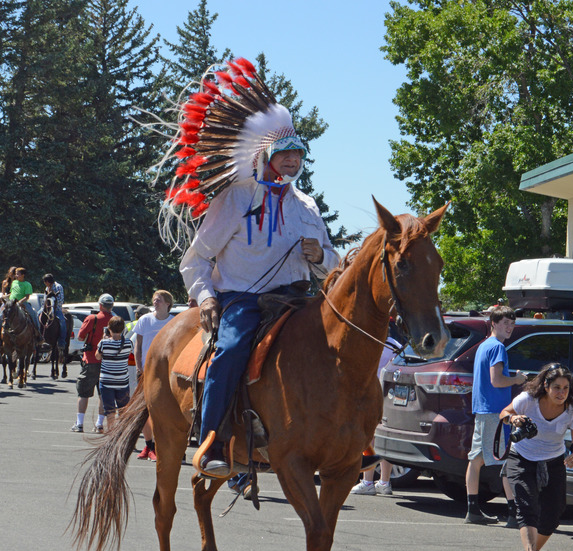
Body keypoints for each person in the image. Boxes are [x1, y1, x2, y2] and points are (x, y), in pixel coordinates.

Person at [176, 121, 339, 478]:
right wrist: (205, 298)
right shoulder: (236, 197)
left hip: (297, 299)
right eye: (285, 154)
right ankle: (212, 443)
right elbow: (195, 260)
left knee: (342, 350)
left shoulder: (308, 206)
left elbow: (333, 267)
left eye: (297, 155)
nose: (292, 161)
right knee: (232, 349)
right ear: (265, 156)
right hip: (243, 298)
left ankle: (346, 443)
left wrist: (320, 258)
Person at [500, 363, 573, 551]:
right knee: (527, 506)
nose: (561, 393)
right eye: (557, 387)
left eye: (565, 388)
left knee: (554, 512)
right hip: (522, 457)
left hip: (553, 461)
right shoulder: (528, 400)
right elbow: (504, 413)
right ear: (546, 385)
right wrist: (514, 419)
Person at [465, 305, 527, 525]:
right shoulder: (498, 348)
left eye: (512, 324)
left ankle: (472, 510)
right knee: (506, 461)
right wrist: (517, 380)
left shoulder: (483, 346)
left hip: (482, 410)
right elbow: (497, 380)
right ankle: (514, 514)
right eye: (505, 323)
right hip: (496, 412)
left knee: (476, 459)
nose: (509, 327)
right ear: (493, 323)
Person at [352, 321, 405, 496]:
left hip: (371, 396)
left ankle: (367, 481)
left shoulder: (371, 343)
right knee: (385, 439)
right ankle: (384, 481)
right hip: (391, 396)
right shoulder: (397, 346)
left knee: (369, 438)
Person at [133, 290, 175, 461]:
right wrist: (138, 367)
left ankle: (161, 446)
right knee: (143, 411)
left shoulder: (173, 322)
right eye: (154, 300)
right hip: (145, 372)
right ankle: (149, 445)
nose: (155, 302)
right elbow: (138, 345)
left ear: (167, 304)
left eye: (159, 300)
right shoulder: (144, 320)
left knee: (162, 412)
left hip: (166, 374)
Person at [70, 294, 114, 433]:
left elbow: (81, 336)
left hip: (90, 360)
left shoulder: (92, 319)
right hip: (108, 362)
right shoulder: (115, 320)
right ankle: (99, 425)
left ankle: (79, 424)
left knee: (83, 393)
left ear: (100, 305)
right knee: (103, 395)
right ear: (111, 305)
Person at [97, 316, 133, 436]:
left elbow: (98, 356)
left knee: (110, 411)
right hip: (122, 381)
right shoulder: (128, 343)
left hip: (107, 381)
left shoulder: (104, 343)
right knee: (123, 410)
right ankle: (121, 433)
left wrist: (104, 339)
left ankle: (111, 434)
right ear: (123, 329)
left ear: (109, 328)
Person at [42, 273, 67, 347]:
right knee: (38, 316)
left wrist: (53, 306)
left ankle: (62, 341)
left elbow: (60, 299)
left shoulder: (58, 287)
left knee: (62, 322)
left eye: (45, 282)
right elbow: (44, 299)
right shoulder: (46, 288)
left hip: (57, 309)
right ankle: (38, 337)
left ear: (47, 281)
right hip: (46, 309)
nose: (45, 283)